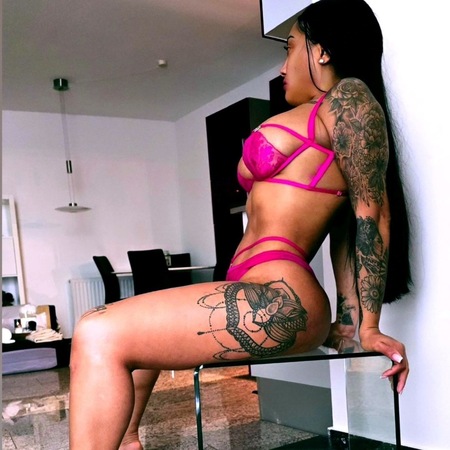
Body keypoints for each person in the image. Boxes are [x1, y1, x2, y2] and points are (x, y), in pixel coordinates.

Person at [69, 0, 411, 448]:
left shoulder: (347, 100)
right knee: (128, 330)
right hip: (249, 286)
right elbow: (346, 228)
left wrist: (365, 326)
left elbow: (370, 213)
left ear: (322, 51)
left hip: (282, 297)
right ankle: (128, 440)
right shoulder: (316, 117)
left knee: (96, 331)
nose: (283, 65)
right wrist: (349, 324)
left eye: (290, 47)